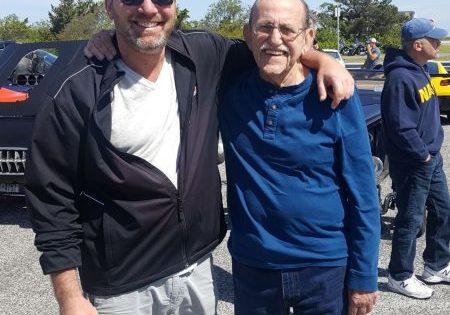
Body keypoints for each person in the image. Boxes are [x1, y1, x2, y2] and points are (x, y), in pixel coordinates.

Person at [25, 0, 354, 315]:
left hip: (196, 271)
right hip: (121, 288)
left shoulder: (204, 54)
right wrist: (69, 297)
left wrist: (324, 60)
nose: (149, 8)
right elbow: (51, 196)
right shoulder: (76, 88)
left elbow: (271, 46)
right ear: (109, 5)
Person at [218, 0, 380, 314]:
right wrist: (103, 42)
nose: (275, 38)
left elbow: (364, 195)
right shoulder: (228, 90)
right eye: (264, 27)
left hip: (325, 268)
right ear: (248, 34)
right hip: (254, 268)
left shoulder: (336, 98)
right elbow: (150, 45)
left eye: (287, 30)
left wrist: (364, 275)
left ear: (308, 37)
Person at [381, 18, 450, 299]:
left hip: (430, 160)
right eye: (433, 40)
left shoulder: (420, 70)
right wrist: (422, 154)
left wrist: (431, 153)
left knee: (443, 211)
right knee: (410, 220)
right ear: (417, 44)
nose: (439, 43)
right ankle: (399, 275)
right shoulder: (400, 77)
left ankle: (435, 266)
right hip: (414, 163)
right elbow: (400, 126)